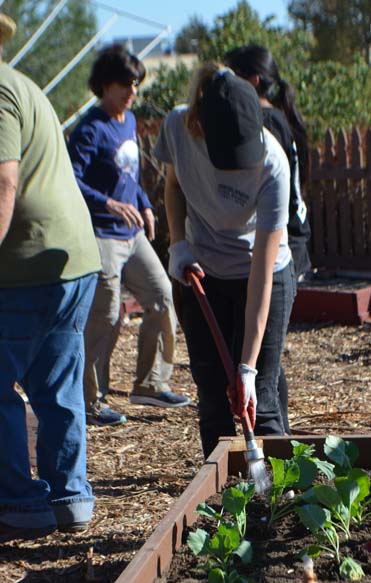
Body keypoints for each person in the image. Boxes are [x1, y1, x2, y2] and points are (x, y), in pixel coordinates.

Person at [154, 63, 295, 458]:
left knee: (261, 398)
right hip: (203, 271)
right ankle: (219, 497)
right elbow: (173, 185)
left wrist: (247, 367)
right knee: (212, 393)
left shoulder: (273, 165)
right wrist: (178, 244)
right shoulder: (179, 127)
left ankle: (277, 498)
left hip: (262, 273)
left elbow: (262, 275)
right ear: (200, 121)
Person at [0, 13, 101, 541]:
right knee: (57, 383)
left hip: (24, 268)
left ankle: (18, 504)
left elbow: (3, 182)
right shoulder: (23, 85)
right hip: (72, 260)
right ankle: (69, 499)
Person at [68, 44, 189, 427]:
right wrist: (108, 204)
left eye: (136, 84)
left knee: (162, 296)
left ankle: (150, 384)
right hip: (101, 234)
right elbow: (71, 180)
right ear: (105, 85)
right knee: (105, 316)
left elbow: (129, 176)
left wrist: (145, 205)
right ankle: (90, 401)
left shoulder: (129, 120)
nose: (132, 91)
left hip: (132, 233)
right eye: (125, 84)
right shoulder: (90, 128)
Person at [224, 44, 312, 433]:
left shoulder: (262, 124)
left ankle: (274, 458)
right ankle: (281, 439)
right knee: (268, 358)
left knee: (264, 364)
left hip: (282, 245)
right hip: (293, 237)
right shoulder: (279, 118)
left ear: (253, 80)